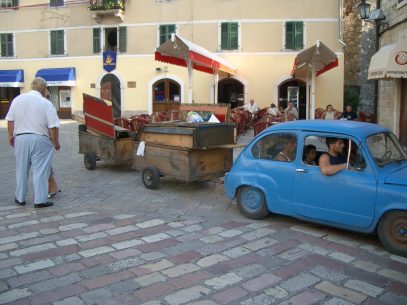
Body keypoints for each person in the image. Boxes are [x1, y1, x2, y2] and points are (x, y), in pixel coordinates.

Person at [6, 77, 60, 208]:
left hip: (21, 138)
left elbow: (10, 120)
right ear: (43, 89)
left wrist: (10, 136)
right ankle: (40, 200)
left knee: (21, 169)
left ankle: (20, 198)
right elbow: (53, 126)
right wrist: (55, 142)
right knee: (40, 170)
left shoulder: (17, 100)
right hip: (40, 139)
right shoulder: (46, 103)